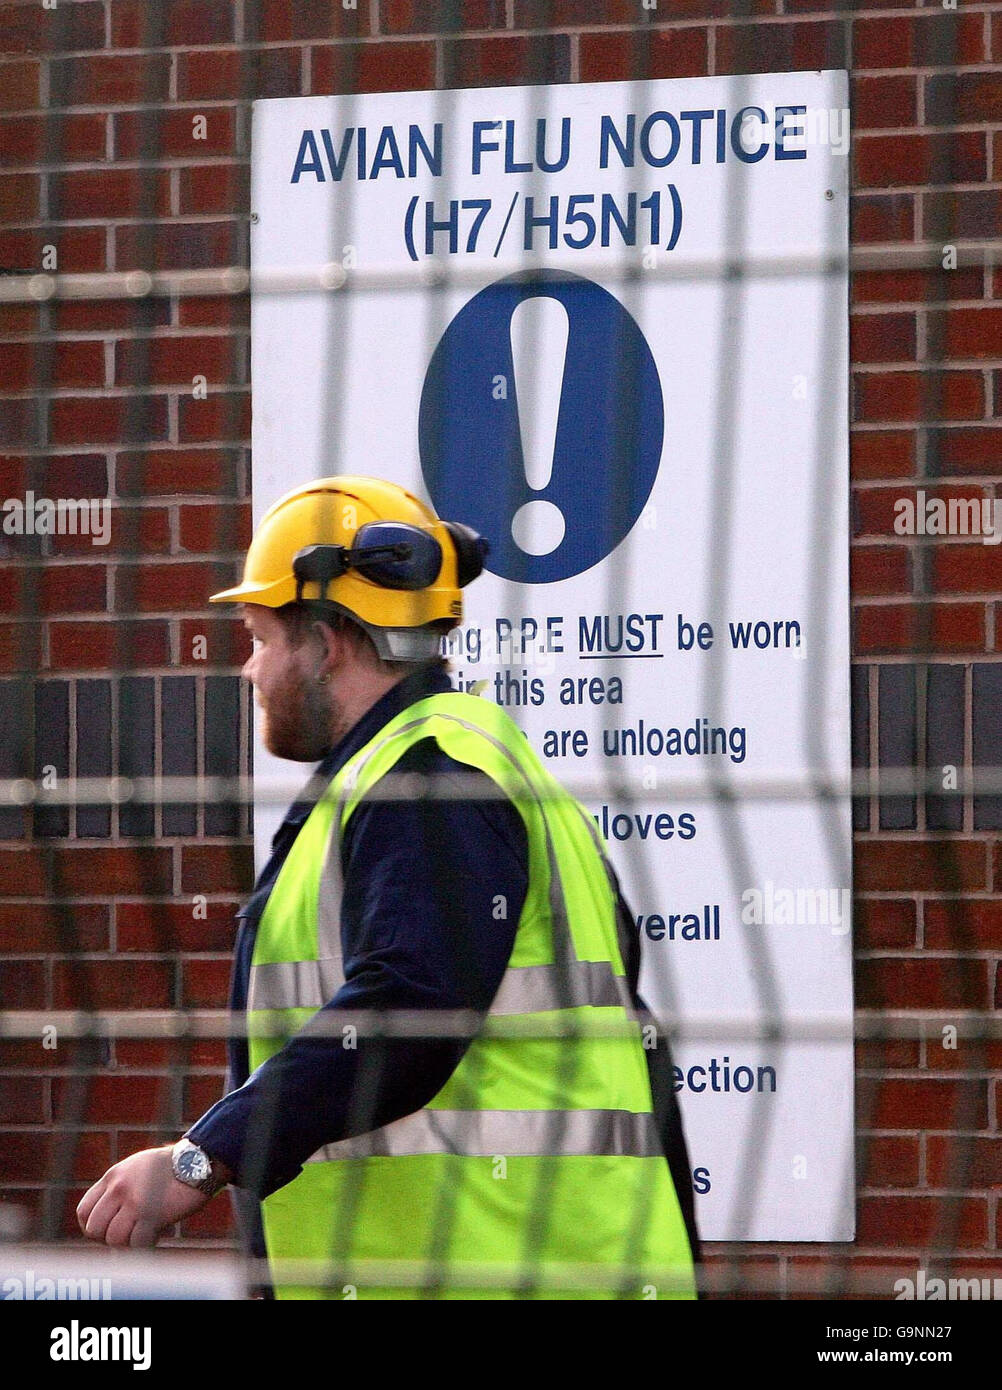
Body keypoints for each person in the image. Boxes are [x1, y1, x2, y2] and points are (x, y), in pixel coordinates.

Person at [77, 475, 699, 1299]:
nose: (249, 669)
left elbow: (410, 1009)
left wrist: (206, 1156)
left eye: (261, 638)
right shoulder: (442, 767)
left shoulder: (430, 782)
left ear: (327, 642)